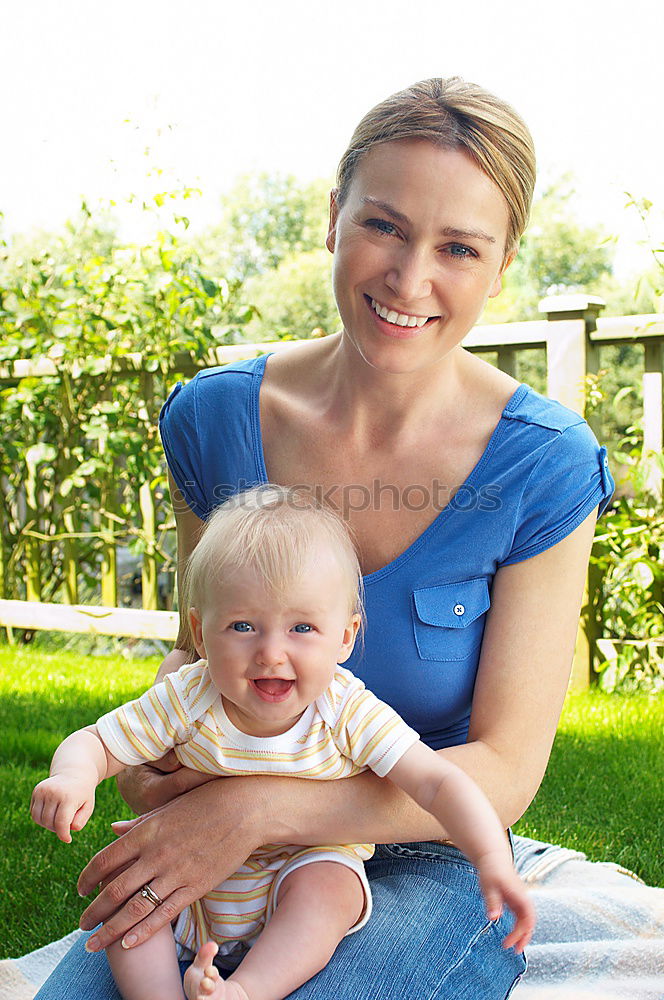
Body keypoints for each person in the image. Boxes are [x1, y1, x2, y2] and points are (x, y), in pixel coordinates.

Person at [35, 76, 615, 1000]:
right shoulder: (217, 419)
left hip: (423, 845)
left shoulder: (540, 465)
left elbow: (504, 770)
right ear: (333, 216)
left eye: (459, 247)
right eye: (384, 225)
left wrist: (256, 808)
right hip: (223, 840)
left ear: (502, 264)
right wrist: (153, 771)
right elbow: (197, 650)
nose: (410, 279)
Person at [31, 486, 534, 1000]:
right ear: (200, 634)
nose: (271, 653)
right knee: (130, 901)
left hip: (292, 876)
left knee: (330, 884)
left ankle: (246, 990)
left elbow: (437, 782)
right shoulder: (189, 697)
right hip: (192, 887)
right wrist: (74, 775)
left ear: (345, 636)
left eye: (301, 627)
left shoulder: (343, 710)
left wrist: (491, 854)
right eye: (243, 626)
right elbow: (97, 740)